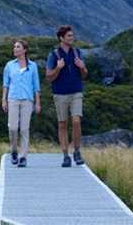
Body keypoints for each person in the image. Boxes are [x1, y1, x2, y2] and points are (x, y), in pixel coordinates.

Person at [45, 25, 88, 167]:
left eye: (72, 35)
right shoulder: (53, 55)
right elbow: (49, 77)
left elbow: (84, 75)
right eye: (69, 36)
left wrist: (82, 67)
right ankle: (65, 155)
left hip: (76, 92)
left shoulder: (77, 53)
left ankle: (77, 151)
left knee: (76, 120)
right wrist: (58, 68)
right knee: (62, 124)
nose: (72, 38)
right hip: (60, 94)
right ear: (61, 38)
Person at [1, 39, 41, 168]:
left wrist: (38, 103)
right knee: (12, 127)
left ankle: (23, 157)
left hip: (28, 100)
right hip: (12, 98)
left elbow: (36, 86)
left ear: (24, 50)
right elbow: (5, 84)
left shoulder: (33, 66)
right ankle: (13, 150)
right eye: (14, 47)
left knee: (24, 129)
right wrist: (3, 99)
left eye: (18, 47)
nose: (15, 49)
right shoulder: (9, 65)